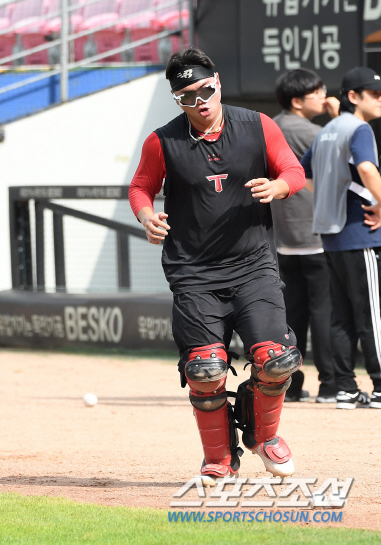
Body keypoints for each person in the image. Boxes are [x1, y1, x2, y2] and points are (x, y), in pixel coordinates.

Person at [128, 48, 305, 485]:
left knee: (277, 359)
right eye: (187, 96)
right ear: (177, 101)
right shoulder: (162, 141)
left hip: (253, 265)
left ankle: (264, 435)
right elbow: (140, 187)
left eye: (206, 90)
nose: (200, 101)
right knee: (205, 370)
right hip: (194, 273)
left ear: (218, 82)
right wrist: (147, 217)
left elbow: (294, 170)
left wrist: (280, 185)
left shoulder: (257, 126)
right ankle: (219, 457)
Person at [302, 66, 381, 410]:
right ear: (353, 96)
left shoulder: (327, 130)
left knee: (342, 316)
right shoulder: (359, 128)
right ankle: (380, 386)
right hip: (359, 233)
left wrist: (330, 197)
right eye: (374, 94)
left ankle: (346, 388)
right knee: (372, 315)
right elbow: (366, 169)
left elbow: (303, 174)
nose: (380, 99)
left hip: (332, 236)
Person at [271, 69, 339, 404]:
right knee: (324, 311)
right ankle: (329, 384)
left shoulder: (270, 127)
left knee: (293, 314)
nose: (323, 95)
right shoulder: (316, 131)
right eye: (317, 92)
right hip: (317, 235)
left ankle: (293, 385)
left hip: (284, 238)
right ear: (298, 101)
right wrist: (337, 115)